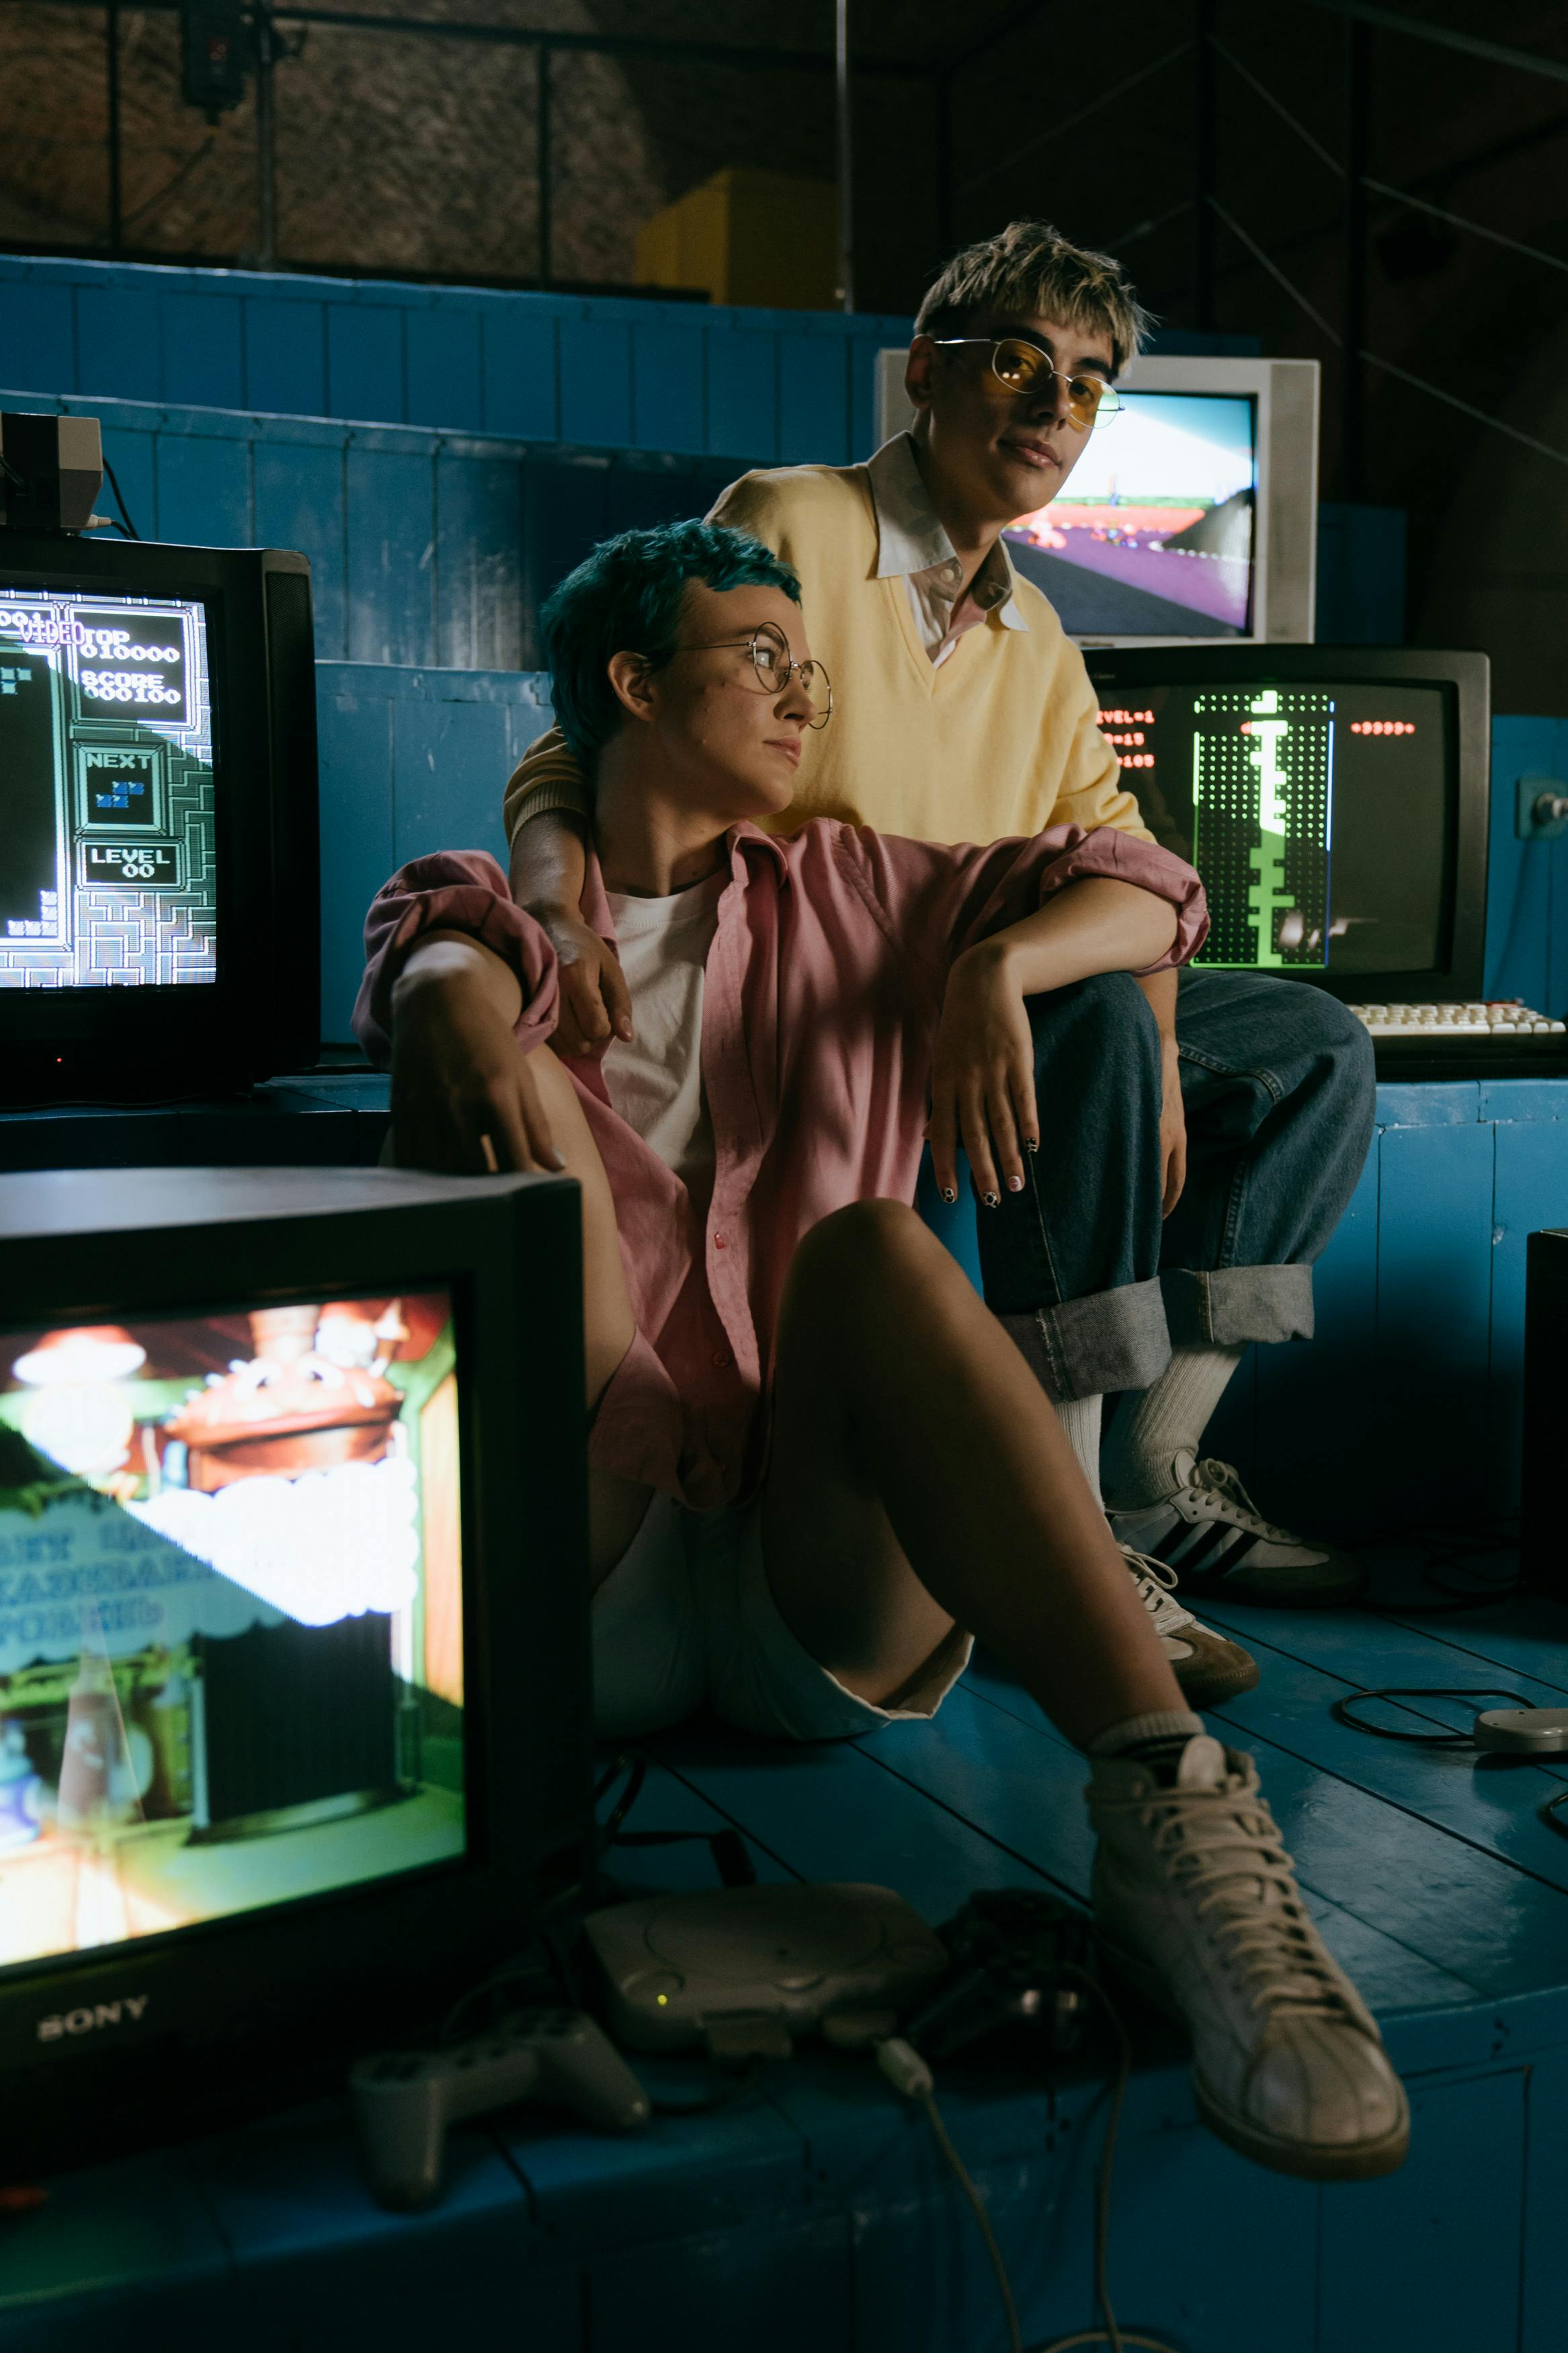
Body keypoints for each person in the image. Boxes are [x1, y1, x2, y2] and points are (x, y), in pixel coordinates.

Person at [357, 521, 1407, 2184]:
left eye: (808, 662)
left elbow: (1151, 886)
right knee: (491, 1064)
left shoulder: (864, 889)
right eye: (757, 655)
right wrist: (448, 986)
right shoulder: (503, 912)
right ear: (633, 683)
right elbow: (425, 937)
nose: (800, 692)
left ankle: (1171, 1814)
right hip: (574, 1575)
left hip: (817, 1585)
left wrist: (996, 961)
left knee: (874, 1250)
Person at [503, 221, 1375, 1613]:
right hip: (812, 986)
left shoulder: (1041, 635)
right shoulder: (795, 519)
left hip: (978, 978)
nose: (1055, 405)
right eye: (1020, 361)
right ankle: (1074, 1527)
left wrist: (1149, 1038)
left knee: (1311, 1045)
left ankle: (1151, 1466)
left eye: (1089, 383)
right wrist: (556, 908)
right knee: (1079, 1011)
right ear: (925, 371)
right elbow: (592, 734)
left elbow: (1130, 861)